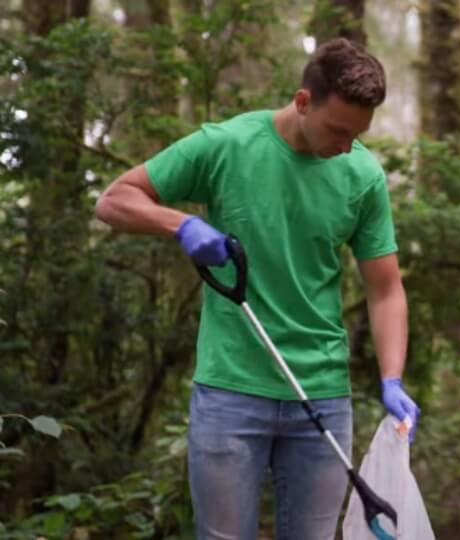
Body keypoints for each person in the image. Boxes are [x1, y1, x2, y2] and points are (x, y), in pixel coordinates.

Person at [94, 38, 419, 540]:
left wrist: (392, 378)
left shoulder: (362, 174)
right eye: (338, 130)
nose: (346, 146)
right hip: (231, 391)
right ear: (303, 101)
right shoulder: (226, 145)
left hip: (324, 395)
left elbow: (385, 290)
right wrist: (180, 225)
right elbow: (114, 201)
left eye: (358, 135)